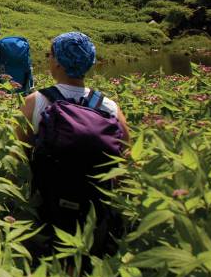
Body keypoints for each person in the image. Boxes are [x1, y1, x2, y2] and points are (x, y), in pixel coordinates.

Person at [17, 31, 130, 260]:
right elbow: (126, 160)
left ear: (57, 62)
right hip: (96, 209)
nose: (48, 59)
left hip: (46, 207)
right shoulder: (109, 107)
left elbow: (17, 156)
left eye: (50, 54)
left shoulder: (36, 102)